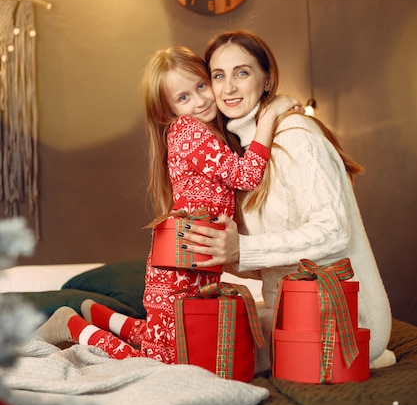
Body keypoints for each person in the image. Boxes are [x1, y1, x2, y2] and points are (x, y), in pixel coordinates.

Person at [37, 45, 299, 363]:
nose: (200, 100)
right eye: (184, 97)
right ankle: (73, 325)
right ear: (168, 110)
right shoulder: (188, 132)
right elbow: (246, 176)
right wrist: (271, 115)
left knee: (170, 340)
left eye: (201, 86)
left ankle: (102, 316)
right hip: (179, 270)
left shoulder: (208, 133)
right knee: (159, 364)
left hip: (192, 263)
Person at [180, 30, 395, 370]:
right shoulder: (245, 159)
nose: (228, 88)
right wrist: (216, 251)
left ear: (267, 80)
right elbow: (276, 258)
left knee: (200, 352)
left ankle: (90, 328)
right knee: (197, 331)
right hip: (295, 310)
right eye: (218, 76)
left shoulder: (296, 137)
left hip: (347, 318)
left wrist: (242, 250)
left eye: (242, 72)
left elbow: (333, 231)